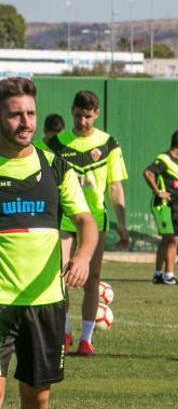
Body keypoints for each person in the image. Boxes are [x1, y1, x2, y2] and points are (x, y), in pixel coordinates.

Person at [0, 77, 97, 408]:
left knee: (37, 398)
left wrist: (82, 257)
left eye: (30, 113)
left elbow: (86, 221)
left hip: (45, 301)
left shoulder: (55, 167)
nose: (26, 122)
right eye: (16, 114)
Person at [47, 90, 129, 356]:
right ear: (72, 111)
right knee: (61, 277)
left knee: (92, 279)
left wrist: (122, 224)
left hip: (95, 222)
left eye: (88, 116)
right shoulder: (56, 144)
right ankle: (65, 332)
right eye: (79, 115)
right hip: (64, 220)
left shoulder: (108, 144)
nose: (83, 121)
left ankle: (86, 339)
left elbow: (115, 186)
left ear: (97, 115)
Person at [143, 130, 178, 285]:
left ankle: (163, 274)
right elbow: (148, 173)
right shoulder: (163, 159)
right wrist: (158, 191)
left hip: (175, 205)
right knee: (170, 238)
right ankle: (164, 274)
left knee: (171, 239)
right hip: (163, 205)